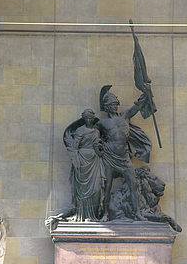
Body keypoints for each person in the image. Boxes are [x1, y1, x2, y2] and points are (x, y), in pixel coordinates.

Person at [97, 86, 152, 221]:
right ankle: (105, 214)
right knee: (107, 186)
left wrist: (146, 93)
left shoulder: (124, 116)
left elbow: (137, 106)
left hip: (124, 157)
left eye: (116, 104)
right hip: (109, 157)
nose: (114, 107)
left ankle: (137, 213)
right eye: (111, 105)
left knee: (133, 184)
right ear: (106, 107)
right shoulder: (101, 123)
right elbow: (93, 137)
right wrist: (98, 147)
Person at [64, 108, 104, 222]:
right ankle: (82, 215)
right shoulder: (80, 130)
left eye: (91, 118)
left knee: (96, 188)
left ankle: (93, 215)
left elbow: (98, 147)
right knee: (82, 189)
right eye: (86, 118)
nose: (89, 120)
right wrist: (76, 161)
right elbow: (74, 147)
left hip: (94, 160)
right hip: (82, 160)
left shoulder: (96, 132)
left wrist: (99, 149)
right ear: (83, 119)